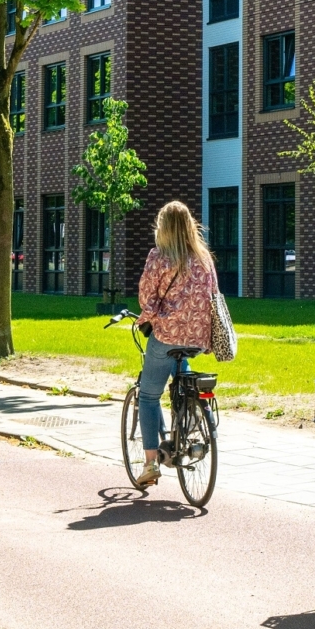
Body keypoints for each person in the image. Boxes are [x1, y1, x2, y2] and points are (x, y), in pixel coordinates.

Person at [131, 201, 220, 491]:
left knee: (148, 395)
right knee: (182, 374)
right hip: (197, 338)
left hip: (167, 336)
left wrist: (145, 318)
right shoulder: (204, 257)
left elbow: (147, 298)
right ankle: (191, 417)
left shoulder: (159, 256)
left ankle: (150, 463)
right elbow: (214, 296)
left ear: (164, 227)